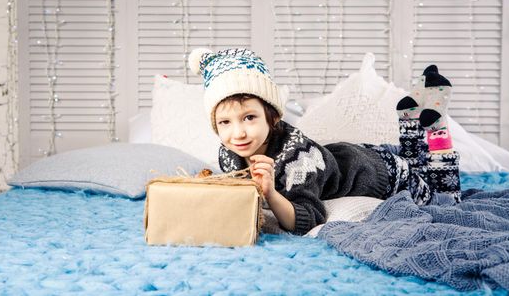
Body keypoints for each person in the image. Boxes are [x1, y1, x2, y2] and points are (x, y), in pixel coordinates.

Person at [188, 48, 461, 235]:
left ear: (272, 118)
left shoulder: (298, 159)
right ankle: (411, 120)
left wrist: (271, 193)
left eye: (249, 118)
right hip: (350, 156)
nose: (238, 133)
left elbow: (308, 219)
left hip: (382, 175)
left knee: (442, 197)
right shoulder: (228, 152)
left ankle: (434, 126)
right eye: (225, 122)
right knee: (412, 160)